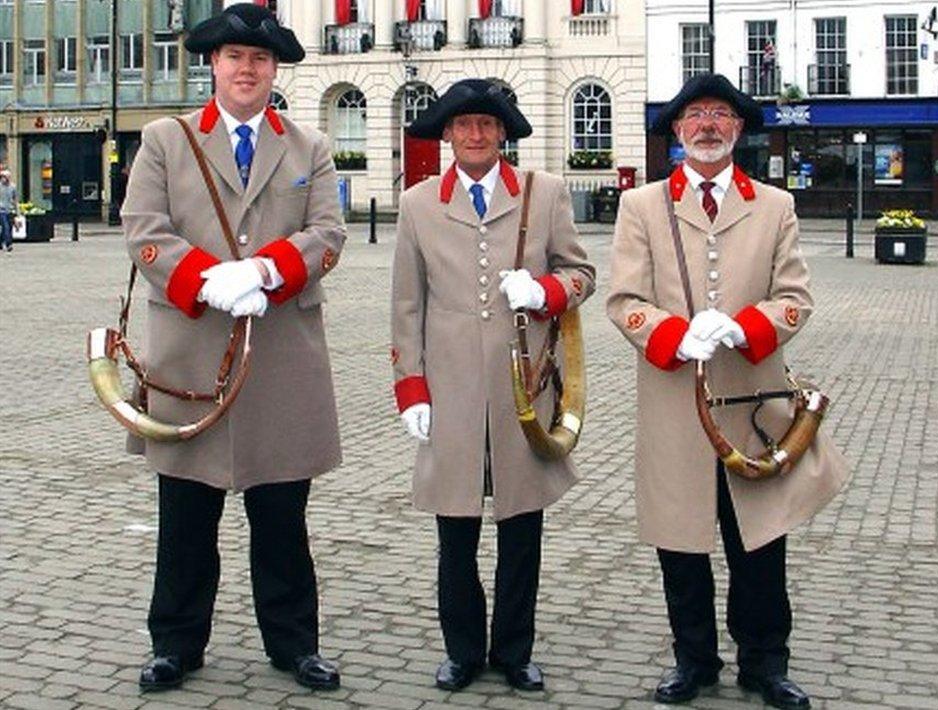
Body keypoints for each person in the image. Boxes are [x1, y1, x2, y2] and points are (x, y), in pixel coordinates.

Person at [120, 4, 346, 693]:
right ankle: (176, 644)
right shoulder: (167, 138)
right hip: (191, 354)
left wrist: (267, 270)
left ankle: (294, 643)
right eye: (233, 58)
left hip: (281, 355)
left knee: (282, 516)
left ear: (274, 69)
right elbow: (143, 228)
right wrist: (208, 278)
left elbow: (328, 233)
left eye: (259, 59)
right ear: (212, 65)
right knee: (186, 516)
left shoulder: (309, 146)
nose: (246, 70)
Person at [606, 74, 848, 709]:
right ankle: (695, 660)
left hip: (755, 404)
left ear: (738, 130)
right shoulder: (642, 206)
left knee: (760, 544)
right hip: (673, 401)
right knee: (680, 543)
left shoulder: (773, 205)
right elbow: (624, 298)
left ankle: (766, 663)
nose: (707, 125)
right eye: (694, 116)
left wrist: (745, 326)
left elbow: (796, 299)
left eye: (720, 115)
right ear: (677, 132)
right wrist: (668, 334)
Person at [391, 79, 595, 693]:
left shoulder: (546, 193)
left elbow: (581, 272)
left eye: (487, 124)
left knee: (521, 525)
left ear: (503, 133)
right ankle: (461, 650)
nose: (475, 135)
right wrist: (411, 387)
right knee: (455, 528)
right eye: (463, 125)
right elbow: (406, 303)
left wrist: (547, 291)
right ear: (448, 134)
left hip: (523, 386)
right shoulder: (418, 203)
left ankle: (513, 650)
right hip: (449, 385)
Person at [0, 169, 18, 252]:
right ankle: (9, 244)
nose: (5, 179)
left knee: (9, 228)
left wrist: (17, 211)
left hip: (10, 210)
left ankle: (1, 241)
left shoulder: (13, 187)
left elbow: (15, 199)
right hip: (1, 210)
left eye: (7, 177)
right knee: (5, 226)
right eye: (3, 177)